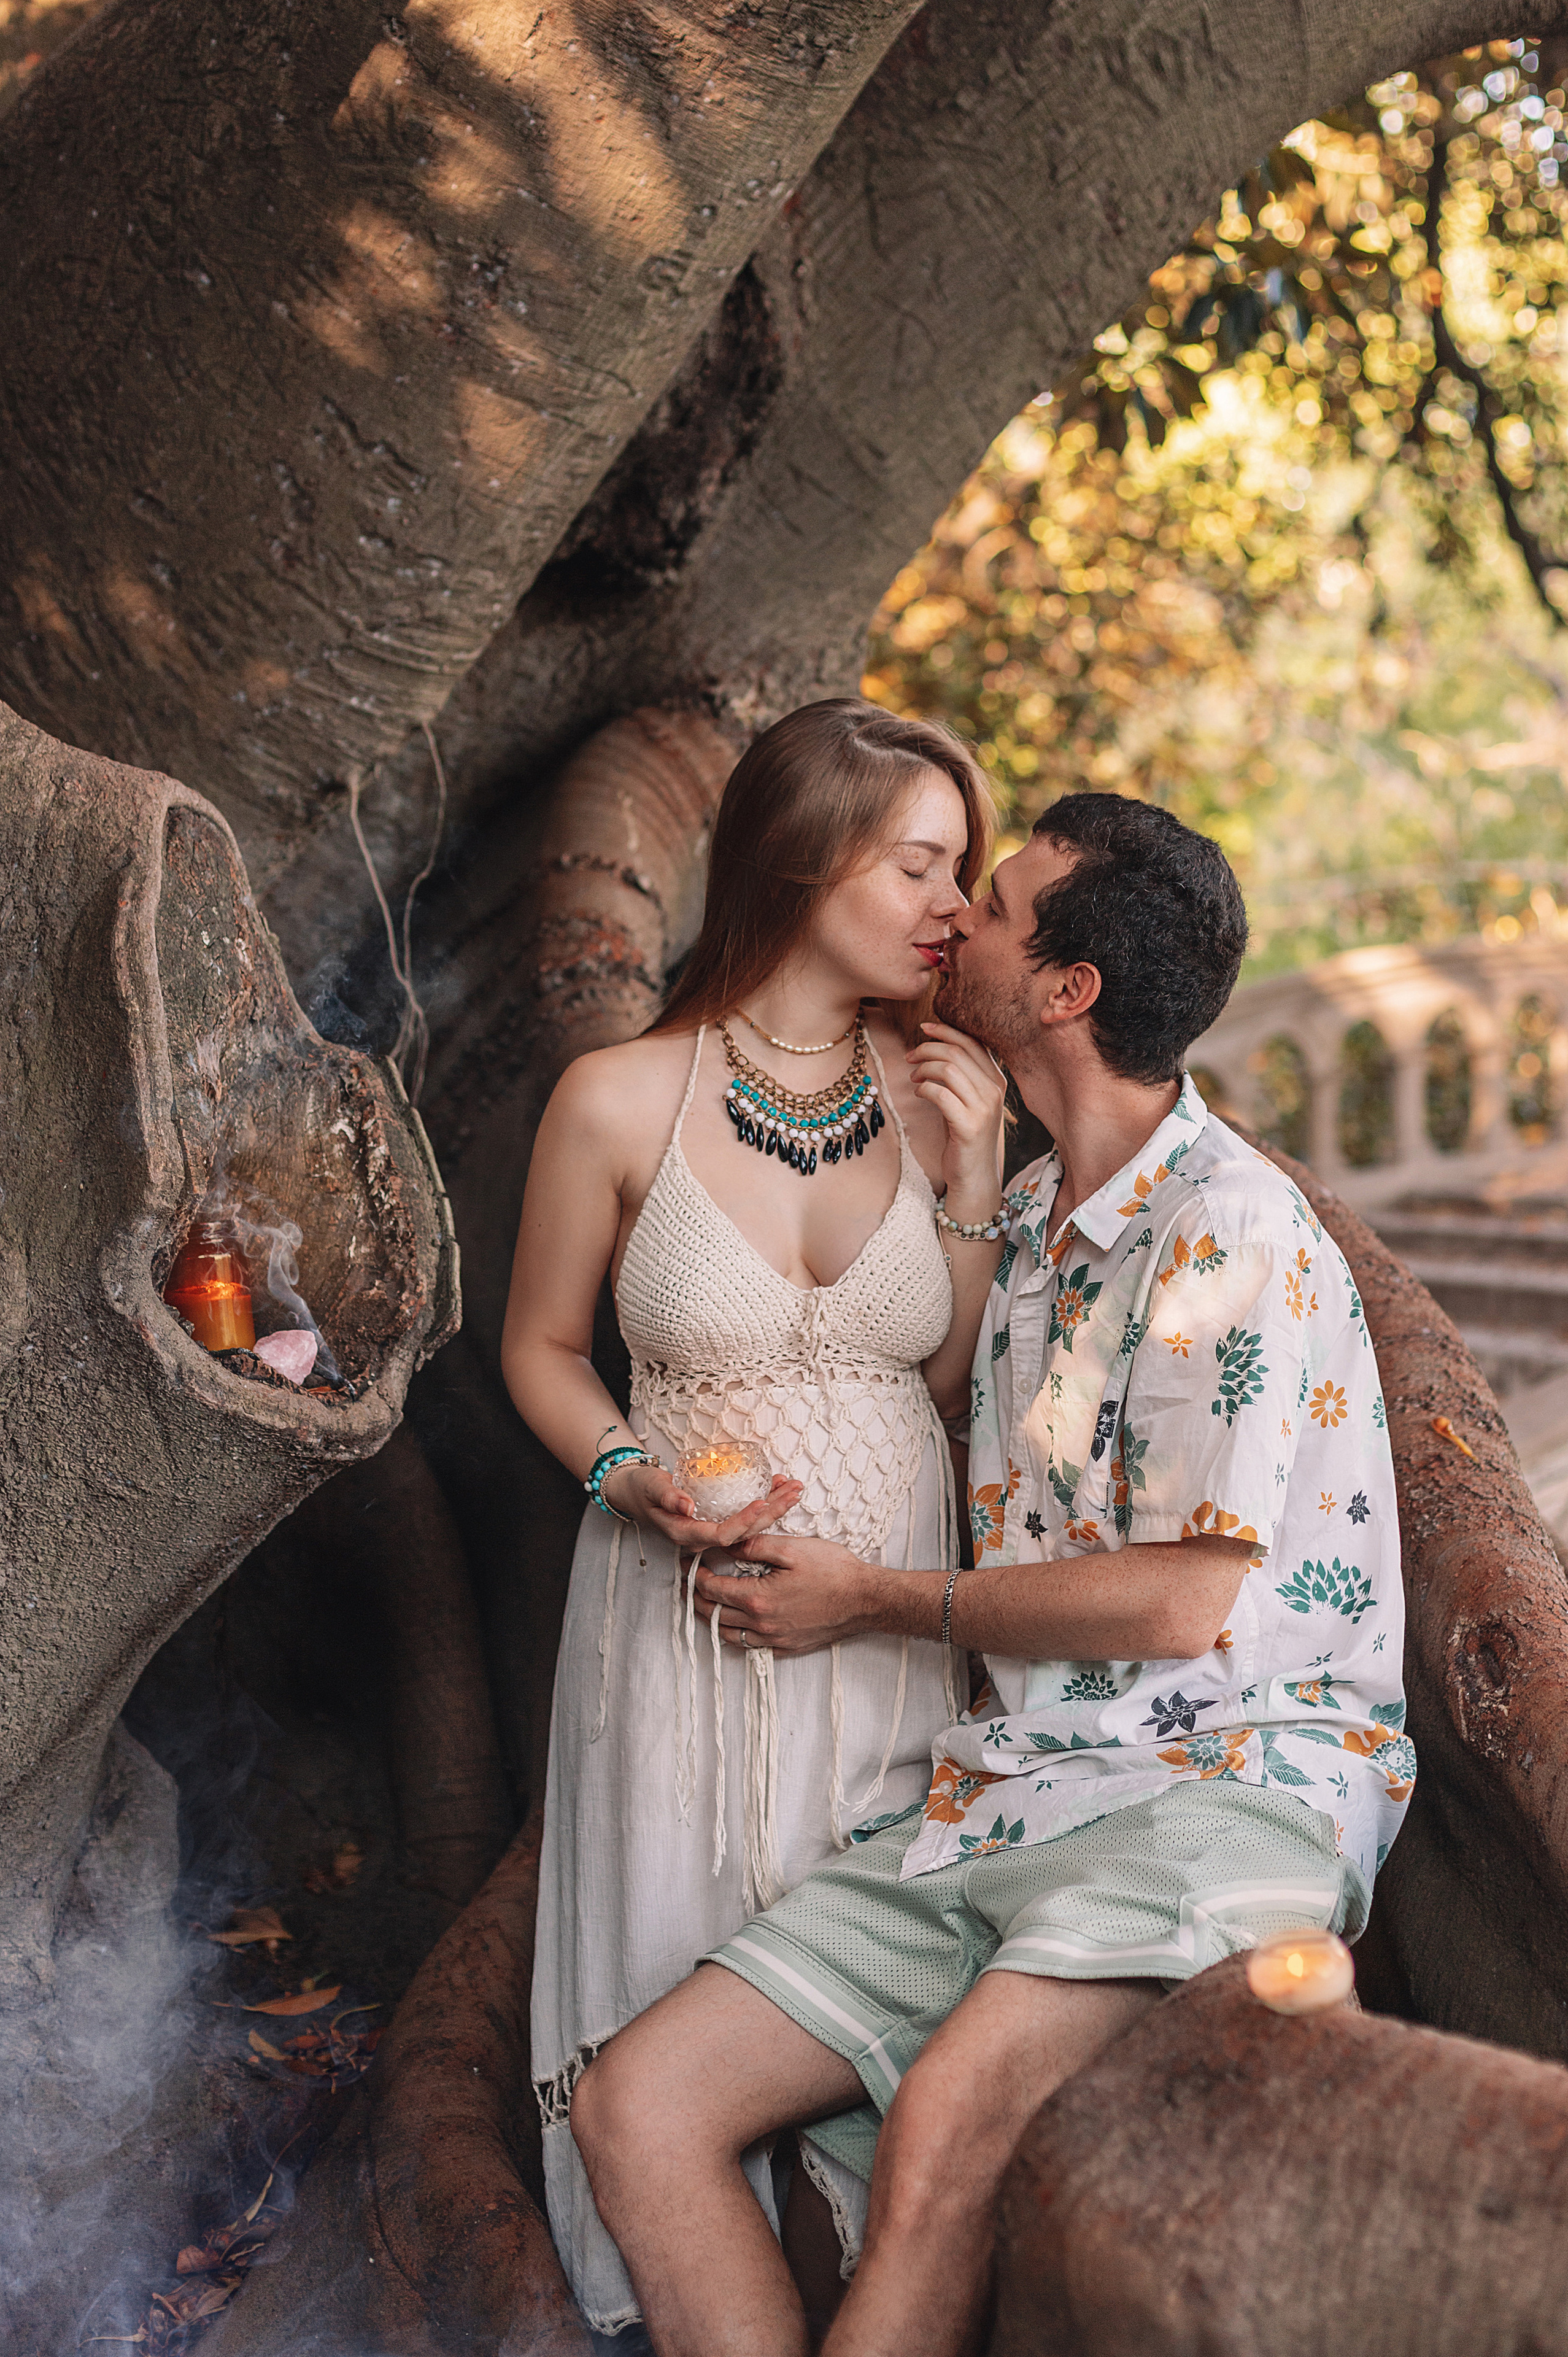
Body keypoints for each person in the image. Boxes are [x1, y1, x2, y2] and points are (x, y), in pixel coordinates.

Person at [570, 793, 1413, 2357]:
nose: (957, 914)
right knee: (640, 2103)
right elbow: (935, 1416)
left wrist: (867, 1600)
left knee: (942, 2130)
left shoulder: (1227, 1233)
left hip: (1220, 1783)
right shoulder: (1026, 1217)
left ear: (1065, 989)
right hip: (1008, 1790)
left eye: (999, 903)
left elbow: (1177, 1604)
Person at [501, 699, 1006, 2336]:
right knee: (678, 1999)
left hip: (889, 1627)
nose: (952, 906)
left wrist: (971, 1181)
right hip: (679, 1627)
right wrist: (624, 1476)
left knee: (866, 2035)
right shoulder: (615, 1098)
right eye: (920, 865)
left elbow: (950, 1385)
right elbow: (540, 1349)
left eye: (962, 870)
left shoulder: (945, 1092)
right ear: (802, 858)